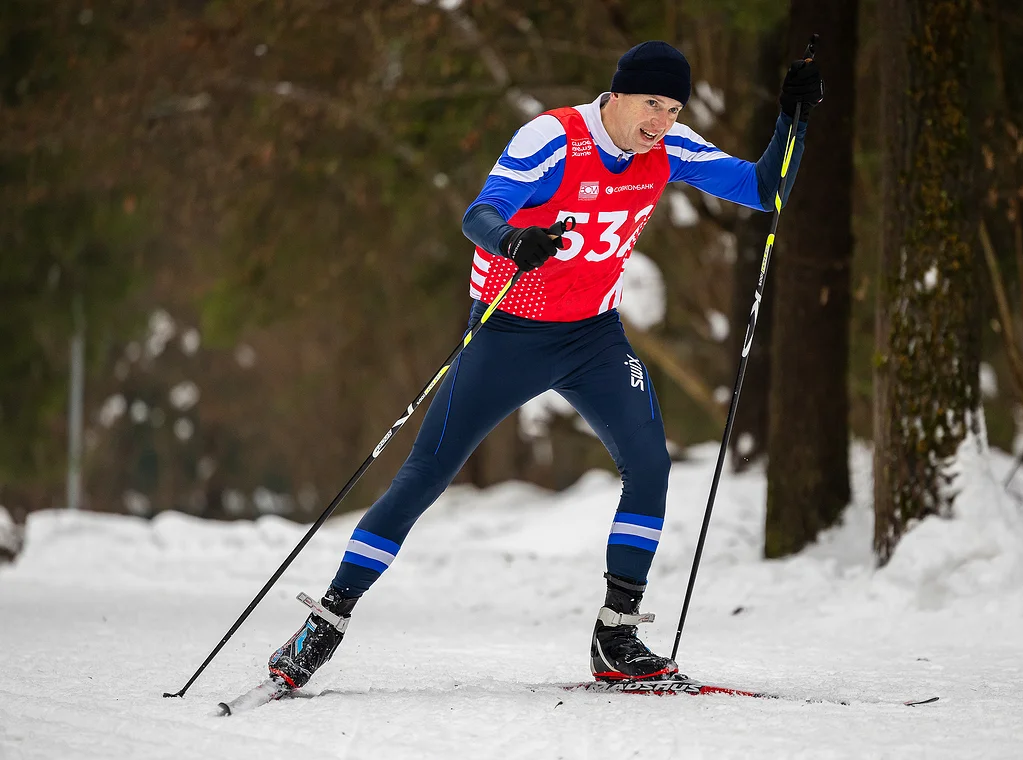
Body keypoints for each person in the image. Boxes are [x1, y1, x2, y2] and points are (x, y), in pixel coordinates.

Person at [267, 41, 823, 690]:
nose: (661, 122)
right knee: (422, 477)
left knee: (649, 465)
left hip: (593, 339)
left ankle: (617, 636)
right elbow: (481, 213)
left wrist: (793, 119)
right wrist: (514, 240)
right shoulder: (553, 138)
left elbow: (765, 188)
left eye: (673, 109)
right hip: (507, 334)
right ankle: (326, 622)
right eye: (651, 105)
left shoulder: (669, 146)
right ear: (615, 96)